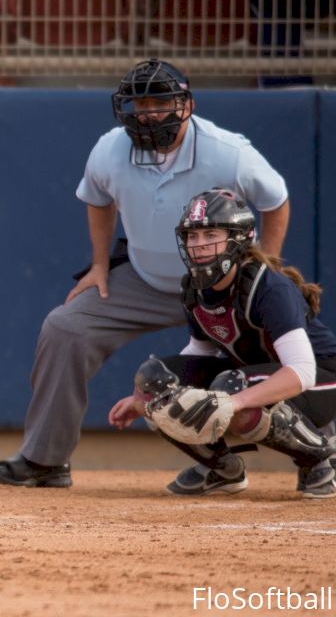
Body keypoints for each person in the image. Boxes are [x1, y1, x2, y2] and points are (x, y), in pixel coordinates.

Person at [0, 58, 291, 488]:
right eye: (140, 103)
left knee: (287, 352)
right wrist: (98, 265)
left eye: (160, 102)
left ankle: (313, 455)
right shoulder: (110, 148)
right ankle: (45, 460)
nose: (149, 113)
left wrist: (267, 270)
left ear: (185, 105)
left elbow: (276, 200)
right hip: (147, 278)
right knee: (65, 328)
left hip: (222, 286)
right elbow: (96, 197)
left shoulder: (229, 152)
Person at [109, 188, 336, 498]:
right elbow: (199, 354)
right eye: (193, 236)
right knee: (155, 381)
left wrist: (234, 402)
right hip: (253, 376)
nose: (199, 246)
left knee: (232, 386)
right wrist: (145, 398)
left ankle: (322, 457)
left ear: (240, 239)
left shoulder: (268, 287)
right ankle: (223, 469)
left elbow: (302, 371)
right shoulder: (194, 287)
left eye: (211, 234)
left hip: (321, 381)